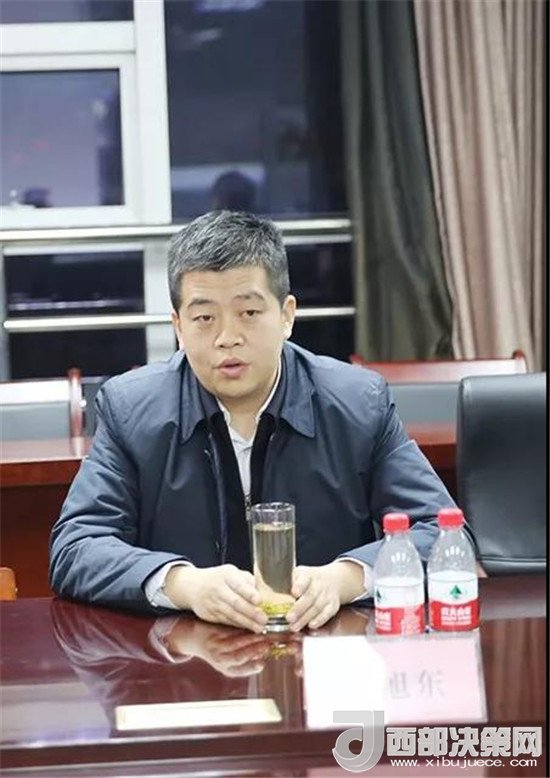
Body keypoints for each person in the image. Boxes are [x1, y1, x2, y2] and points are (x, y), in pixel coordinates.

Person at [50, 210, 461, 633]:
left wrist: (344, 578)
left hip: (324, 650)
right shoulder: (131, 409)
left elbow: (442, 530)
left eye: (248, 312)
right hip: (186, 658)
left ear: (286, 315)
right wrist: (183, 584)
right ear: (178, 327)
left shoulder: (357, 403)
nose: (227, 337)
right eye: (204, 318)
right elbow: (76, 548)